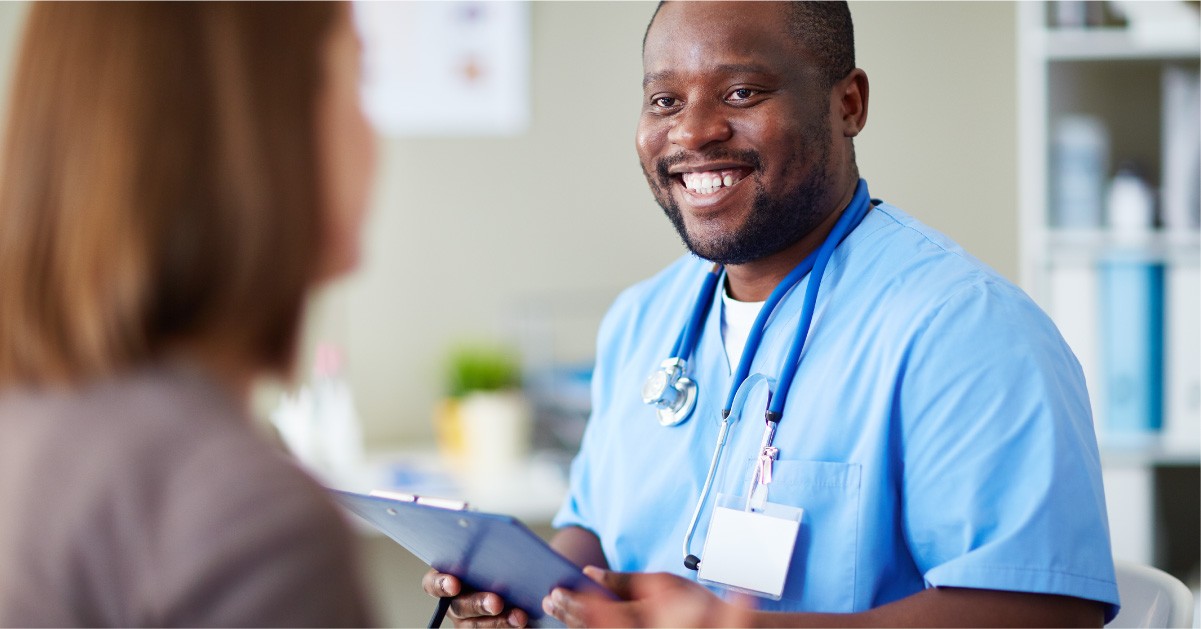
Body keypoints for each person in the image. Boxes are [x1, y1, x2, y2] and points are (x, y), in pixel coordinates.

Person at [425, 2, 1119, 627]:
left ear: (847, 103)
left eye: (741, 92)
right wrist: (530, 592)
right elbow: (597, 531)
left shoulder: (967, 330)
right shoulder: (640, 321)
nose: (692, 132)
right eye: (664, 100)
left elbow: (1045, 609)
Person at [0, 2, 376, 626]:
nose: (373, 129)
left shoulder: (27, 428)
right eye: (360, 79)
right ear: (262, 126)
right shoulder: (250, 526)